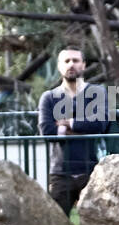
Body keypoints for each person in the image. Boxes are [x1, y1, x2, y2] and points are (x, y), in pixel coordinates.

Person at [37, 46, 110, 214]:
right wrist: (84, 126)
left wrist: (67, 124)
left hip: (93, 170)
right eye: (66, 61)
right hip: (60, 172)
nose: (71, 64)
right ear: (59, 66)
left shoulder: (97, 93)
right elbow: (47, 132)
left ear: (83, 65)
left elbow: (100, 125)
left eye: (76, 60)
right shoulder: (48, 97)